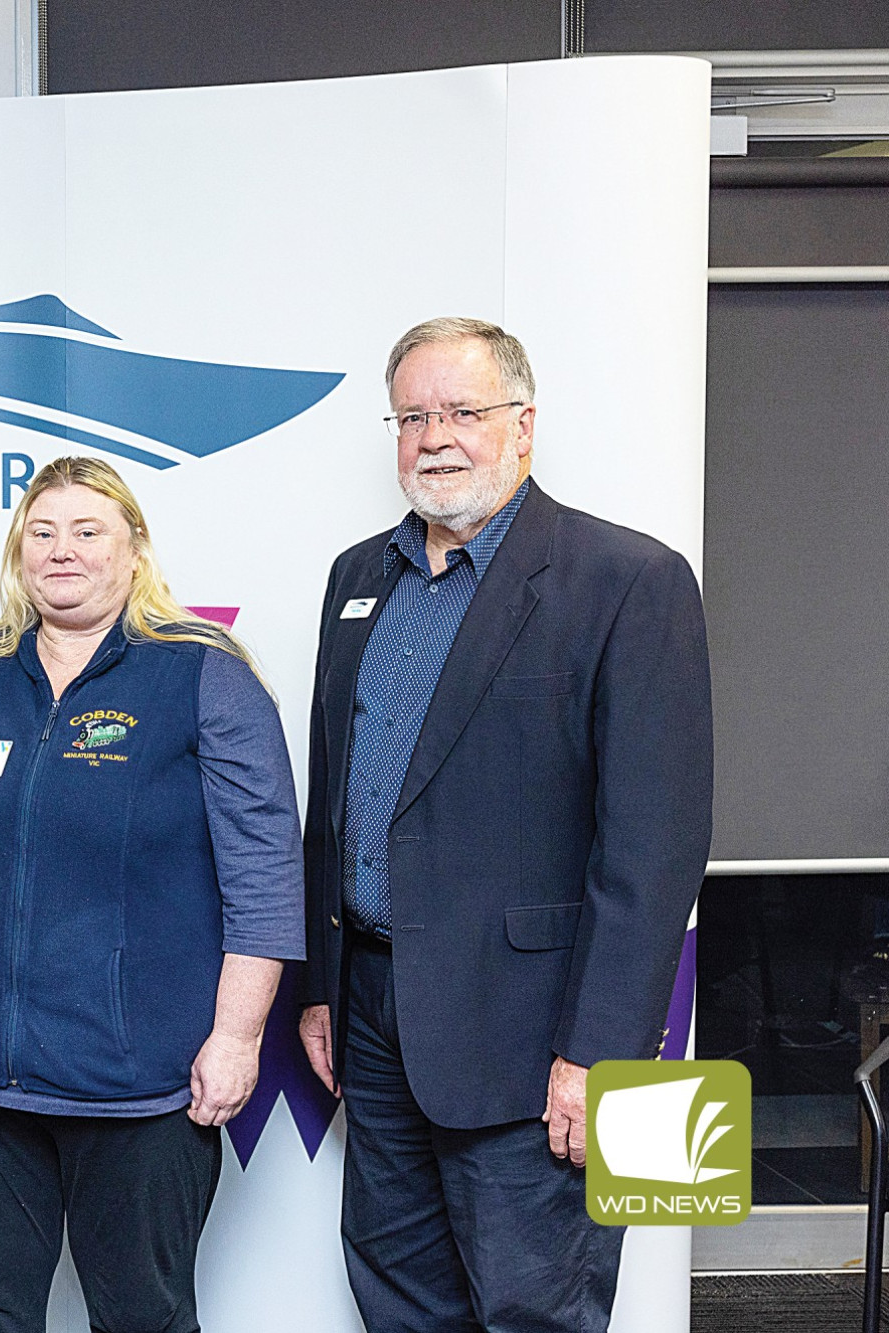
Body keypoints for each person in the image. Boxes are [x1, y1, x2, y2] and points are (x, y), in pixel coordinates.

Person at [297, 317, 712, 1332]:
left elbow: (652, 848)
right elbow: (333, 799)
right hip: (374, 1014)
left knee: (537, 1308)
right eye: (411, 416)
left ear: (522, 425)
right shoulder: (357, 577)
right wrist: (321, 986)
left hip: (538, 1037)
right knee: (396, 1296)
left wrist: (600, 1054)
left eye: (461, 411)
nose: (434, 436)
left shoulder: (627, 581)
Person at [0, 455, 305, 1333]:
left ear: (134, 549)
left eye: (87, 530)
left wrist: (236, 1035)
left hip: (143, 1088)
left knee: (140, 1317)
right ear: (18, 550)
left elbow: (264, 872)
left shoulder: (201, 673)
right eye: (42, 532)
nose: (61, 551)